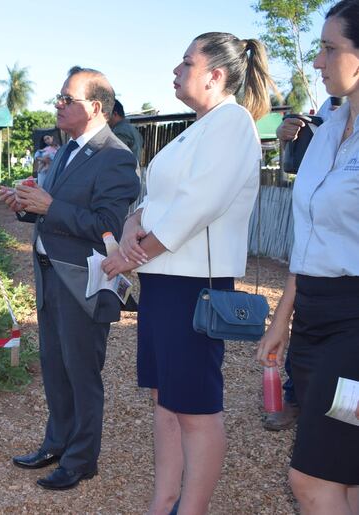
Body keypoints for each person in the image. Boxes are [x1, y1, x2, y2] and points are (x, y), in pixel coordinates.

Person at [103, 32, 275, 514]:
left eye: (186, 63)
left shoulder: (232, 124)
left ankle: (191, 508)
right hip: (164, 280)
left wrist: (131, 254)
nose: (175, 72)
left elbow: (198, 206)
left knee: (196, 406)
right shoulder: (198, 127)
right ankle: (164, 500)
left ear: (216, 75)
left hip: (194, 284)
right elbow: (157, 200)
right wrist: (135, 222)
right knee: (166, 398)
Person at [0, 66, 139, 491]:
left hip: (84, 281)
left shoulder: (116, 156)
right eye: (59, 98)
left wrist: (47, 206)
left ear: (95, 106)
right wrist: (23, 204)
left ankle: (81, 460)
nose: (57, 105)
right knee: (55, 368)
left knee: (81, 373)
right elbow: (51, 207)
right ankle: (56, 443)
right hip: (50, 276)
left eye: (67, 99)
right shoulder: (65, 150)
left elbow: (109, 226)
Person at [257, 2, 359, 512]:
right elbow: (310, 236)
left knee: (311, 479)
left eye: (329, 48)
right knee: (349, 473)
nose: (318, 62)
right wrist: (283, 319)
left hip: (355, 326)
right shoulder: (327, 127)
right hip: (314, 321)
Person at [262, 96, 342, 432]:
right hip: (317, 255)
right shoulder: (329, 109)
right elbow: (297, 169)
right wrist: (287, 140)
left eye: (331, 49)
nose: (319, 63)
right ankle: (297, 398)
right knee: (308, 324)